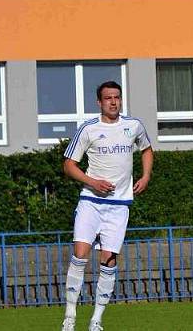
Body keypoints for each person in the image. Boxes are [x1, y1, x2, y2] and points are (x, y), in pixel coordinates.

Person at [60, 81, 153, 331]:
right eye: (108, 98)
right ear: (99, 102)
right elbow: (69, 165)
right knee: (80, 254)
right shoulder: (88, 129)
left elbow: (147, 150)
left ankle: (96, 320)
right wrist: (92, 182)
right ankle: (70, 316)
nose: (114, 102)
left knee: (109, 261)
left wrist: (145, 176)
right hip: (91, 201)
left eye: (117, 97)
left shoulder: (133, 126)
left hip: (119, 205)